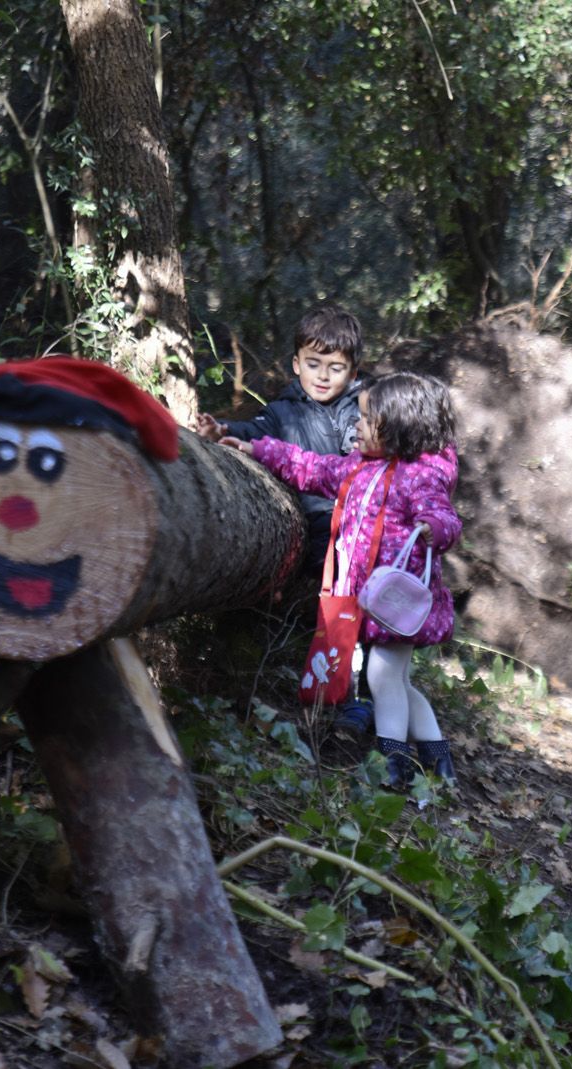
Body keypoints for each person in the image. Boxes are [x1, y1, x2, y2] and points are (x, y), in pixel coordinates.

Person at [220, 371, 462, 788]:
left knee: (382, 677)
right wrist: (256, 448)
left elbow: (444, 516)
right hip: (370, 601)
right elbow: (313, 468)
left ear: (398, 427)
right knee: (398, 681)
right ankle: (440, 759)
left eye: (368, 420)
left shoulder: (420, 475)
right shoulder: (361, 469)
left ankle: (394, 764)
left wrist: (432, 528)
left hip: (397, 603)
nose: (358, 425)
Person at [195, 305, 365, 567]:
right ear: (297, 364)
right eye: (313, 364)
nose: (322, 375)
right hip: (320, 523)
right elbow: (253, 432)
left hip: (368, 515)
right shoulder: (281, 412)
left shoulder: (366, 410)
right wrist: (221, 430)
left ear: (353, 373)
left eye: (335, 368)